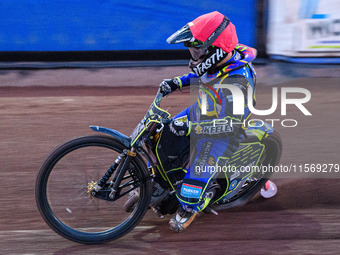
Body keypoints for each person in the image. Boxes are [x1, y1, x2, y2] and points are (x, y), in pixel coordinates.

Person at [159, 11, 258, 232]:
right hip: (203, 111)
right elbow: (200, 75)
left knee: (196, 176)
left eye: (197, 51)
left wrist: (192, 127)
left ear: (214, 51)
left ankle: (190, 207)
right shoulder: (220, 60)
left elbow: (230, 124)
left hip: (224, 131)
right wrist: (177, 82)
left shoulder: (238, 81)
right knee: (164, 133)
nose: (193, 56)